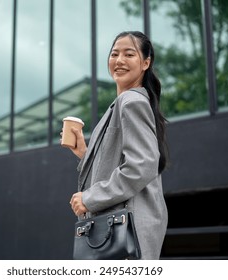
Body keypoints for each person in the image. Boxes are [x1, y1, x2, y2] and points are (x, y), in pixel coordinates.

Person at [67, 31, 168, 260]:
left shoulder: (131, 101)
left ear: (145, 63)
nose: (119, 60)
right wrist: (85, 153)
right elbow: (124, 163)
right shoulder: (121, 104)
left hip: (126, 232)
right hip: (121, 232)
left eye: (129, 54)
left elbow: (142, 166)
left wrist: (89, 198)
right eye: (114, 54)